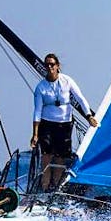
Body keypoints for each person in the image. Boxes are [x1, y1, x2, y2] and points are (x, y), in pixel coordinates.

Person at [31, 53, 98, 191]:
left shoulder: (67, 81)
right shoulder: (40, 87)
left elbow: (80, 98)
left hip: (64, 124)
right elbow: (37, 111)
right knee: (47, 156)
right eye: (47, 65)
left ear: (57, 66)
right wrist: (35, 134)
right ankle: (45, 187)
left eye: (52, 64)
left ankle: (56, 187)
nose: (49, 67)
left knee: (61, 156)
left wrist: (89, 116)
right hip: (47, 124)